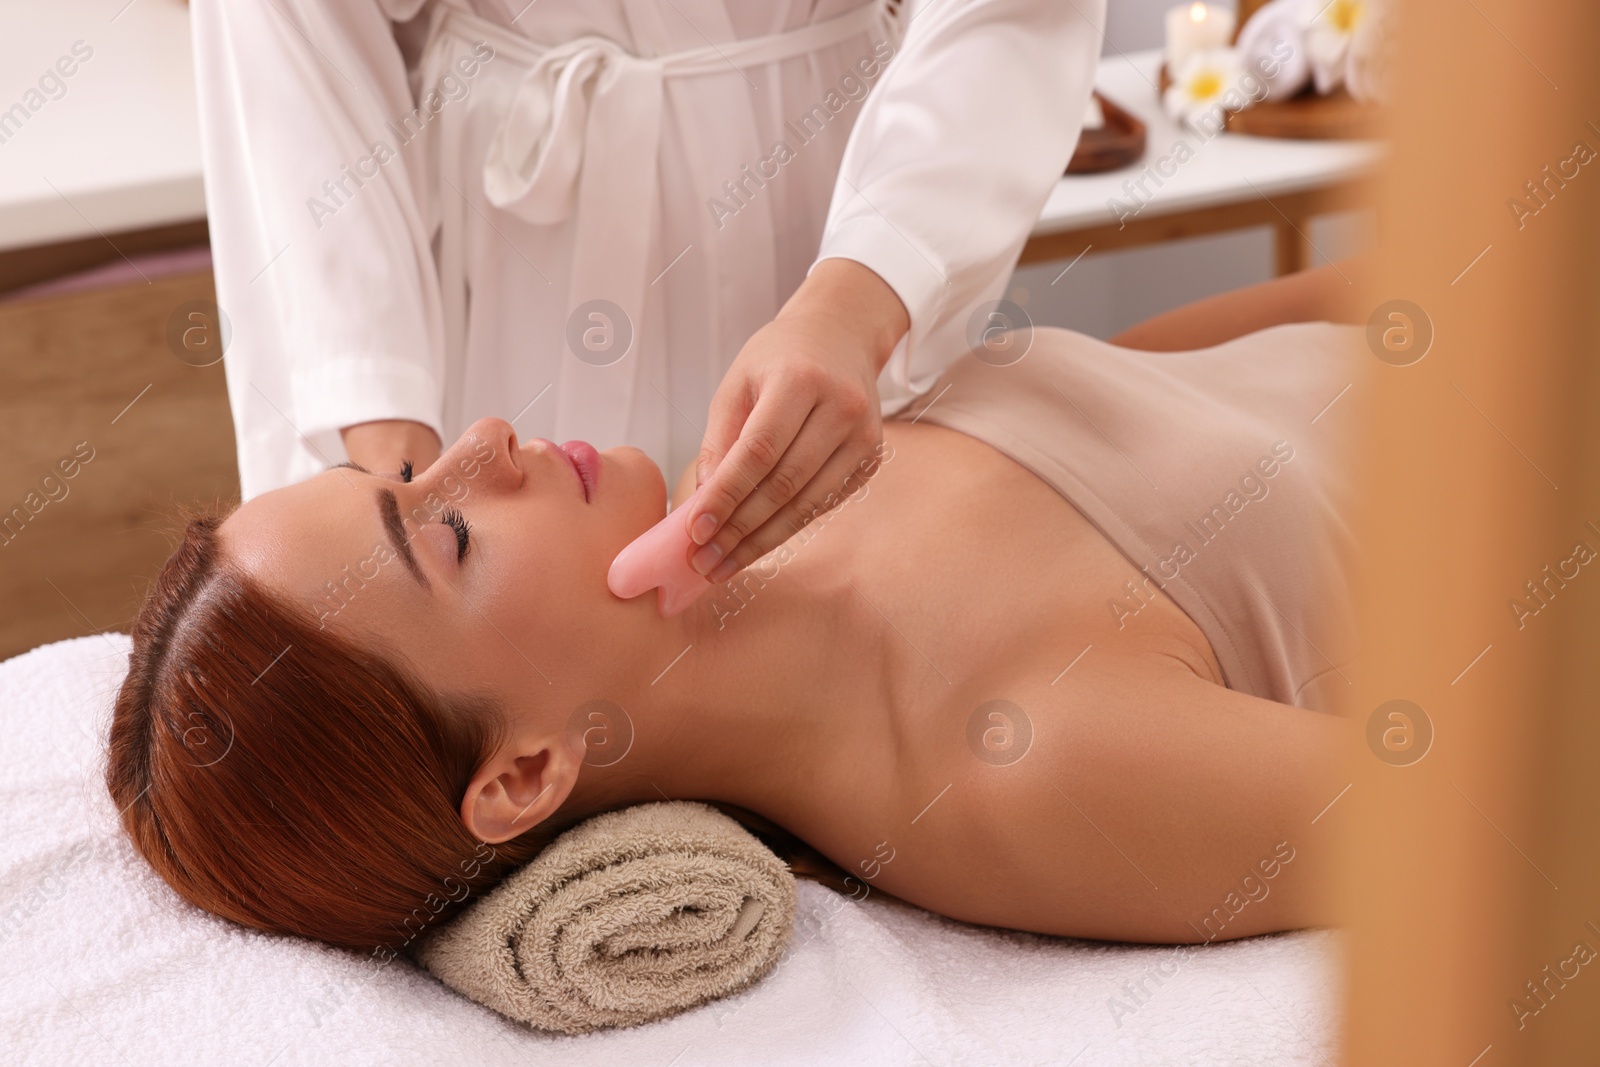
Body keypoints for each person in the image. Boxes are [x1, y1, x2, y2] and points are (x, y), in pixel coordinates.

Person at [106, 269, 1366, 955]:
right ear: (527, 772)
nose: (481, 438)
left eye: (403, 471)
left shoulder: (775, 462)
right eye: (441, 530)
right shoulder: (1012, 761)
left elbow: (1170, 384)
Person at [193, 0, 1104, 586]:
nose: (492, 443)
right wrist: (395, 468)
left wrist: (860, 296)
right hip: (500, 253)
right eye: (445, 541)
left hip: (844, 197)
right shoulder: (468, 477)